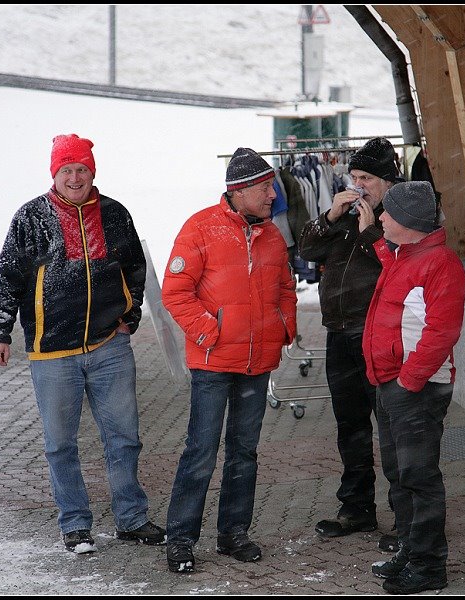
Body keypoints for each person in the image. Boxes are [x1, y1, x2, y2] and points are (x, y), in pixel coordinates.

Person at [0, 134, 164, 554]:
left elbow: (135, 267)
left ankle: (131, 518)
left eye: (81, 168)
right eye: (67, 169)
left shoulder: (114, 213)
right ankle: (76, 524)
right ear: (55, 173)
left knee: (124, 438)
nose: (75, 177)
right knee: (60, 443)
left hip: (109, 346)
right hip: (53, 353)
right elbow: (7, 276)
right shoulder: (30, 217)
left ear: (92, 171)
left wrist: (129, 315)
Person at [161, 147, 297, 573]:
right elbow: (175, 293)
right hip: (213, 363)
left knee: (245, 452)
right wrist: (211, 333)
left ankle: (233, 532)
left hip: (258, 363)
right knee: (201, 451)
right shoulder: (200, 228)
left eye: (271, 186)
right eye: (264, 188)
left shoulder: (272, 234)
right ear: (238, 191)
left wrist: (283, 330)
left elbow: (286, 289)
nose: (272, 195)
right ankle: (181, 538)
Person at [362, 181, 465, 594]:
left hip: (416, 390)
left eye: (388, 213)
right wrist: (375, 239)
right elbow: (394, 270)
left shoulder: (441, 264)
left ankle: (428, 566)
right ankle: (410, 549)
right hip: (393, 385)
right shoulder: (408, 255)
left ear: (409, 222)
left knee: (420, 478)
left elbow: (442, 332)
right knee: (400, 474)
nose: (382, 218)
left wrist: (409, 381)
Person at [297, 137, 401, 544]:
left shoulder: (399, 216)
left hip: (377, 336)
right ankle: (357, 509)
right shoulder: (344, 213)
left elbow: (393, 266)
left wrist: (368, 229)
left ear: (387, 182)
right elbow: (306, 247)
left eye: (368, 178)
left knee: (391, 428)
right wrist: (329, 214)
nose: (359, 186)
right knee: (350, 427)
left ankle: (405, 516)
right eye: (354, 177)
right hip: (339, 334)